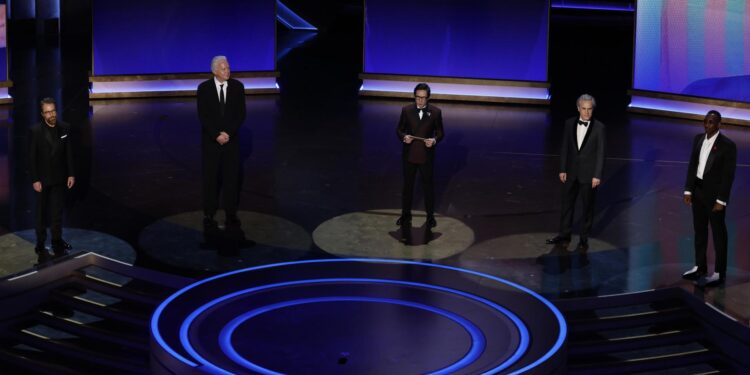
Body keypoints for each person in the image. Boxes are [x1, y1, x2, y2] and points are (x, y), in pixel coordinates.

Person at [682, 110, 736, 287]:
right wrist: (688, 190)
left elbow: (728, 176)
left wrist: (721, 200)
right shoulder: (697, 139)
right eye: (706, 121)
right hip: (698, 192)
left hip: (714, 197)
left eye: (712, 122)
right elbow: (692, 165)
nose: (707, 125)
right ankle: (700, 266)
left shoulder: (727, 145)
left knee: (719, 234)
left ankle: (719, 272)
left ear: (719, 124)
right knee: (700, 231)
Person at [546, 94, 606, 251]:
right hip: (571, 173)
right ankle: (564, 234)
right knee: (567, 205)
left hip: (588, 175)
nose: (586, 113)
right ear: (578, 108)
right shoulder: (569, 123)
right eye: (584, 109)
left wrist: (597, 175)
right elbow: (565, 147)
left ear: (593, 110)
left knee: (587, 208)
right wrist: (562, 169)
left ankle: (584, 238)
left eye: (589, 109)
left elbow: (601, 153)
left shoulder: (599, 128)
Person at [197, 56, 246, 227]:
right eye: (224, 69)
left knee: (231, 178)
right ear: (215, 71)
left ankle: (231, 212)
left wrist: (228, 133)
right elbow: (203, 116)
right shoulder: (204, 88)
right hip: (211, 142)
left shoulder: (238, 87)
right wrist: (216, 134)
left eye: (228, 68)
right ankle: (209, 212)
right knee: (211, 177)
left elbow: (241, 114)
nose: (228, 71)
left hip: (231, 142)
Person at [29, 97, 75, 257]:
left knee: (57, 212)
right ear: (42, 114)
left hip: (60, 178)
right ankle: (40, 243)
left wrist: (71, 173)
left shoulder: (65, 128)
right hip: (42, 179)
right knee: (41, 213)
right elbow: (32, 157)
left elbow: (69, 153)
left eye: (53, 111)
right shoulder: (36, 131)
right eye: (47, 112)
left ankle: (57, 240)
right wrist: (35, 179)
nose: (51, 114)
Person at [396, 83, 444, 228]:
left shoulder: (436, 112)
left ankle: (430, 217)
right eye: (417, 97)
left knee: (428, 187)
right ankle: (405, 215)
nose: (420, 101)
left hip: (426, 156)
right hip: (409, 154)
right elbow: (399, 129)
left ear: (428, 98)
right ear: (414, 97)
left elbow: (440, 132)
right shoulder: (407, 110)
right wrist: (404, 137)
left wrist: (434, 140)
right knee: (408, 187)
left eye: (423, 98)